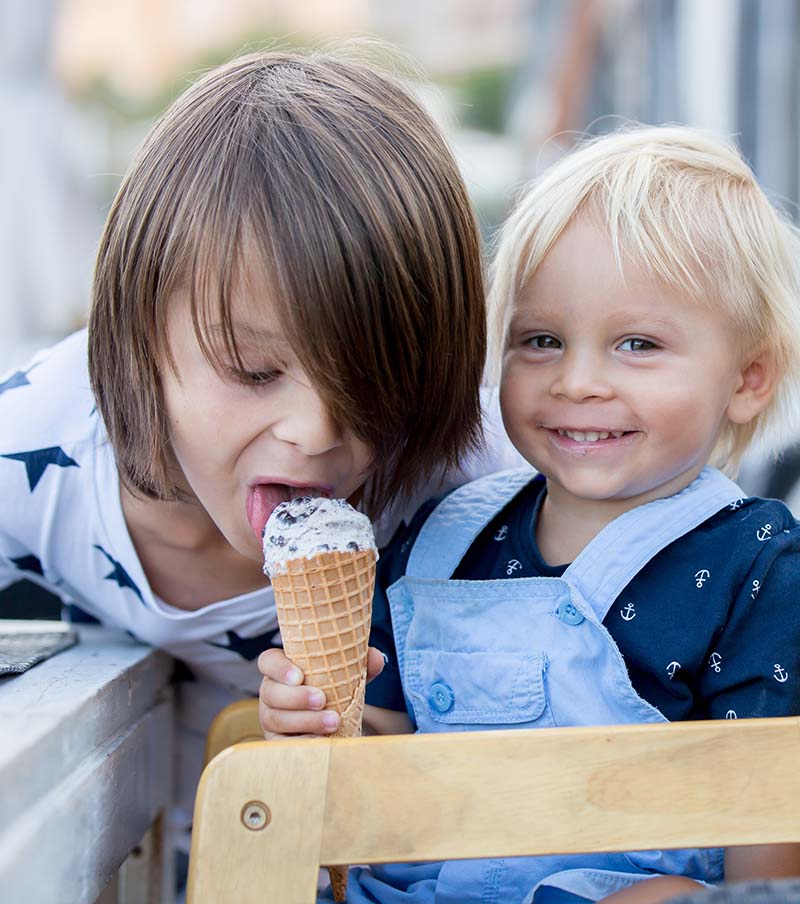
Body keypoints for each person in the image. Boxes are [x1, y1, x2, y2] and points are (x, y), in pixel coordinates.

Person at [0, 47, 527, 850]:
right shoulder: (35, 447)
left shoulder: (475, 478)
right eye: (253, 371)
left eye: (369, 381)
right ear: (140, 335)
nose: (315, 432)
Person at [259, 125, 800, 903]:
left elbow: (770, 815)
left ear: (747, 379)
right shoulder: (442, 538)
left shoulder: (756, 565)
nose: (577, 381)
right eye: (541, 340)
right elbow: (385, 751)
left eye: (638, 344)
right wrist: (315, 724)